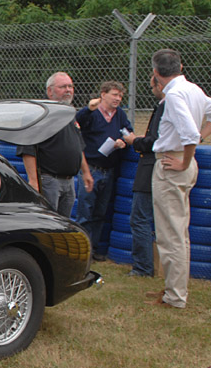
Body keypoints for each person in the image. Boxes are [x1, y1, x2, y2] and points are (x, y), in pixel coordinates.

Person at [147, 49, 211, 309]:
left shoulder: (174, 95)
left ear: (156, 73)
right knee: (178, 231)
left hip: (173, 164)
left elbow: (190, 135)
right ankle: (174, 288)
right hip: (184, 163)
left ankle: (175, 297)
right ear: (180, 66)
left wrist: (183, 158)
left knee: (170, 234)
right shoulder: (194, 90)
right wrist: (191, 152)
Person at [18, 71, 93, 217]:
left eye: (70, 86)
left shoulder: (69, 114)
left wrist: (86, 172)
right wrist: (33, 181)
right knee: (48, 223)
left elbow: (78, 146)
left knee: (63, 225)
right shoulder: (39, 114)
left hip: (69, 182)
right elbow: (27, 149)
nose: (68, 90)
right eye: (63, 87)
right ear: (50, 91)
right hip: (49, 181)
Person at [74, 80, 131, 255]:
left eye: (120, 96)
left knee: (100, 212)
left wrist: (124, 141)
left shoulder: (119, 114)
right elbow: (76, 122)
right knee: (85, 212)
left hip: (109, 170)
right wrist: (88, 109)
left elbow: (128, 131)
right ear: (103, 94)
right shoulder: (91, 113)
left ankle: (95, 249)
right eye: (114, 94)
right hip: (91, 168)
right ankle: (81, 251)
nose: (118, 99)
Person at [120, 75, 165, 277]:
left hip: (151, 168)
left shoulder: (166, 107)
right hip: (161, 168)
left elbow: (154, 141)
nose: (151, 90)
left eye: (152, 85)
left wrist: (134, 140)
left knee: (140, 218)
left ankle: (143, 268)